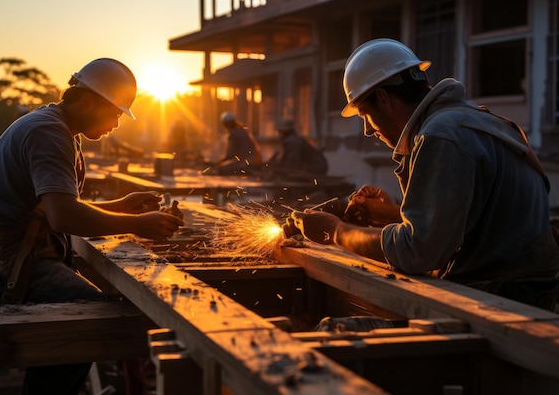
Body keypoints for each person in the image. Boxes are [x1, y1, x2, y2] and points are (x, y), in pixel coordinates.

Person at [0, 58, 184, 394]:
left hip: (1, 253)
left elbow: (59, 207)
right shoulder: (48, 132)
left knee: (82, 313)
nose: (117, 124)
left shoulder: (58, 128)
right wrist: (136, 224)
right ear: (87, 100)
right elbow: (64, 218)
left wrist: (122, 206)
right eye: (115, 113)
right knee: (88, 314)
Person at [288, 38, 559, 311]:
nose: (368, 131)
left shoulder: (440, 136)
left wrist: (336, 232)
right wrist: (394, 215)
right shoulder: (470, 121)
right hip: (526, 288)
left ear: (383, 97)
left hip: (510, 300)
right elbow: (476, 222)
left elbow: (418, 253)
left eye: (365, 116)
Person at [213, 111, 262, 175]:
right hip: (253, 161)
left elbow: (230, 155)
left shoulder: (233, 134)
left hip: (246, 163)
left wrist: (217, 163)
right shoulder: (242, 131)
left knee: (221, 168)